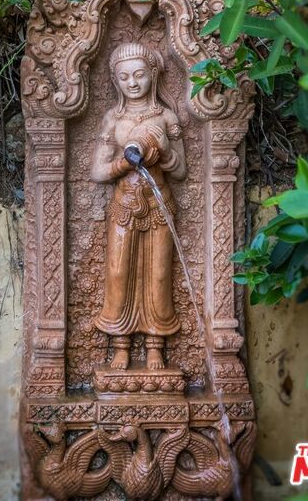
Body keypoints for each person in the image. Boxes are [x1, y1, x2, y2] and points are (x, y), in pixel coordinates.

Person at [91, 42, 186, 371]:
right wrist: (123, 164)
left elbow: (181, 171)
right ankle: (121, 345)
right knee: (119, 272)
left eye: (139, 75)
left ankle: (155, 346)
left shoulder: (166, 116)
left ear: (153, 74)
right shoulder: (113, 118)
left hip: (159, 205)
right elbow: (97, 171)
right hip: (125, 205)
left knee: (158, 274)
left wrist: (166, 153)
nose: (132, 82)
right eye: (124, 77)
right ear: (115, 81)